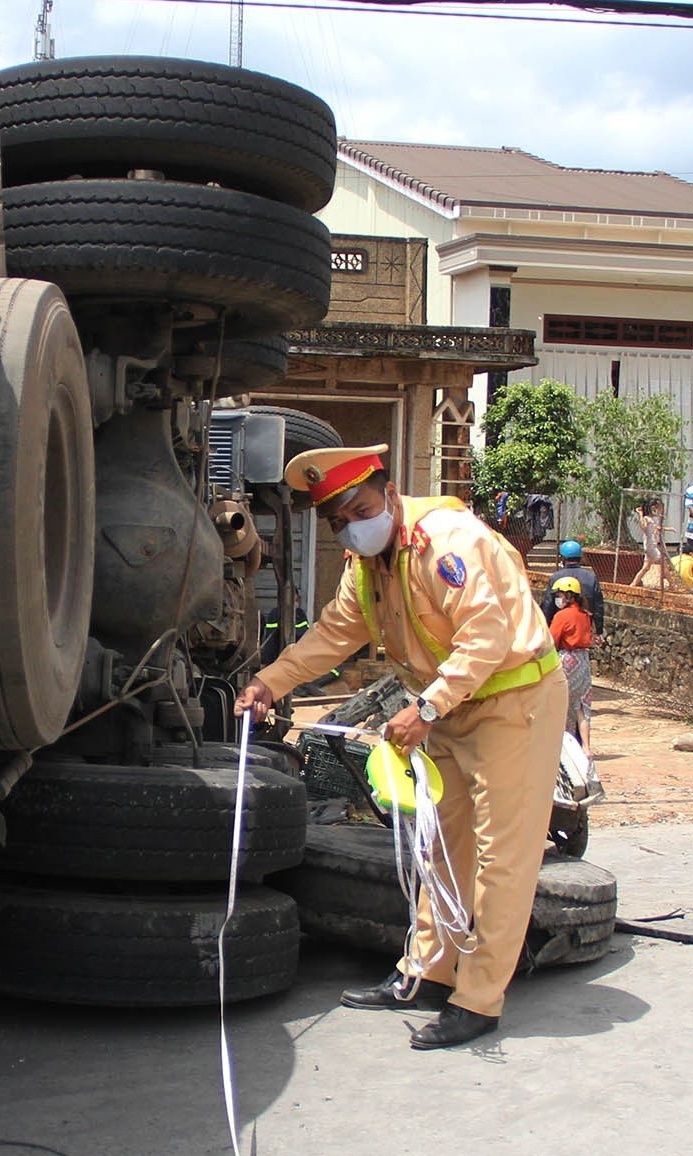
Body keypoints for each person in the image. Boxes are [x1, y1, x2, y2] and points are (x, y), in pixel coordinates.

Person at [234, 444, 566, 1051]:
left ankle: (479, 998)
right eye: (338, 521)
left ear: (390, 496)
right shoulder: (368, 568)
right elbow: (336, 633)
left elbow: (486, 637)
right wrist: (269, 681)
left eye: (360, 509)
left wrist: (428, 707)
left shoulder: (449, 544)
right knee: (439, 846)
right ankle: (426, 973)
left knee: (502, 859)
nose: (352, 527)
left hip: (514, 702)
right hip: (448, 709)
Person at [548, 575, 595, 754]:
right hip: (583, 661)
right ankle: (586, 747)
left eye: (560, 594)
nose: (558, 598)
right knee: (582, 706)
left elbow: (551, 641)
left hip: (566, 659)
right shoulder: (585, 615)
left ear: (569, 595)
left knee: (562, 703)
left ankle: (564, 746)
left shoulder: (562, 616)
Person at [540, 539, 605, 636]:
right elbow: (598, 606)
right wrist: (599, 630)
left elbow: (548, 606)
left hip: (561, 630)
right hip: (583, 629)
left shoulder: (556, 577)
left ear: (563, 558)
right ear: (580, 557)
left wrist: (545, 629)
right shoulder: (591, 577)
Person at [632, 499, 681, 591]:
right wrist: (640, 514)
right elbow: (644, 526)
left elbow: (657, 527)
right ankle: (672, 586)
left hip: (654, 545)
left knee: (646, 567)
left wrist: (668, 528)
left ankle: (633, 584)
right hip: (651, 546)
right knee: (664, 564)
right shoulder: (646, 518)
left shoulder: (655, 518)